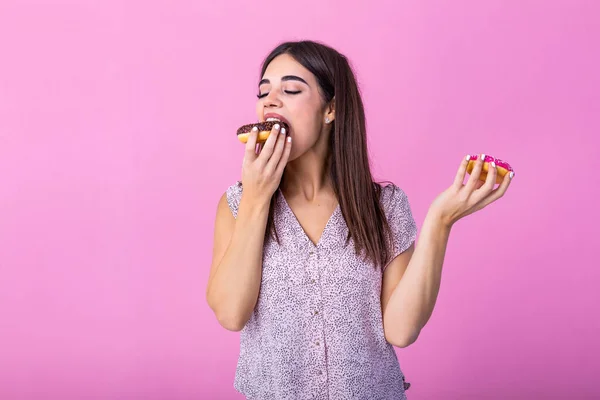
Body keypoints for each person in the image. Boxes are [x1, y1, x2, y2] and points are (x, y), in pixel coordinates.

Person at [206, 40, 513, 400]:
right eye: (264, 92)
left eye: (290, 89)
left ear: (330, 109)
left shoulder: (385, 207)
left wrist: (440, 221)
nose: (270, 101)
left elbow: (401, 330)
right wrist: (258, 197)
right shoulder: (237, 204)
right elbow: (230, 314)